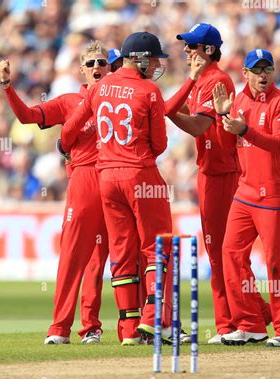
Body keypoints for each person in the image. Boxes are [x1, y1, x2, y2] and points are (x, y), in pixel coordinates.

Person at [61, 32, 191, 345]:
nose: (158, 63)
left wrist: (67, 152)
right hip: (141, 175)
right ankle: (154, 320)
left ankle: (129, 331)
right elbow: (159, 145)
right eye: (155, 58)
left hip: (106, 178)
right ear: (141, 59)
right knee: (156, 248)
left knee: (121, 253)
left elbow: (68, 131)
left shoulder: (100, 87)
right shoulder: (149, 90)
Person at [0, 40, 111, 345]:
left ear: (111, 67)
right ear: (81, 70)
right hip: (85, 179)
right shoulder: (69, 101)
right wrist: (7, 85)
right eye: (91, 64)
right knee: (73, 256)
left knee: (100, 260)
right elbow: (27, 117)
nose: (97, 67)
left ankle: (92, 328)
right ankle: (59, 328)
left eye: (102, 62)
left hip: (115, 178)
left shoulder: (119, 101)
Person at [170, 23, 272, 344]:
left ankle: (241, 321)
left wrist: (174, 100)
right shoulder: (203, 81)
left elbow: (198, 126)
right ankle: (247, 318)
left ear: (209, 50)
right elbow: (175, 110)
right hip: (209, 172)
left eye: (193, 46)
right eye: (187, 46)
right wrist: (180, 94)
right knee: (218, 253)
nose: (187, 51)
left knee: (225, 253)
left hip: (224, 174)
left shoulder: (218, 80)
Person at [213, 48, 280, 347]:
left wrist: (246, 129)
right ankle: (251, 323)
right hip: (246, 192)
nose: (263, 75)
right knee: (231, 254)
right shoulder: (237, 100)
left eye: (268, 69)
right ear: (245, 74)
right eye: (257, 70)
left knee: (278, 262)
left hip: (276, 195)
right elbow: (227, 141)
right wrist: (223, 115)